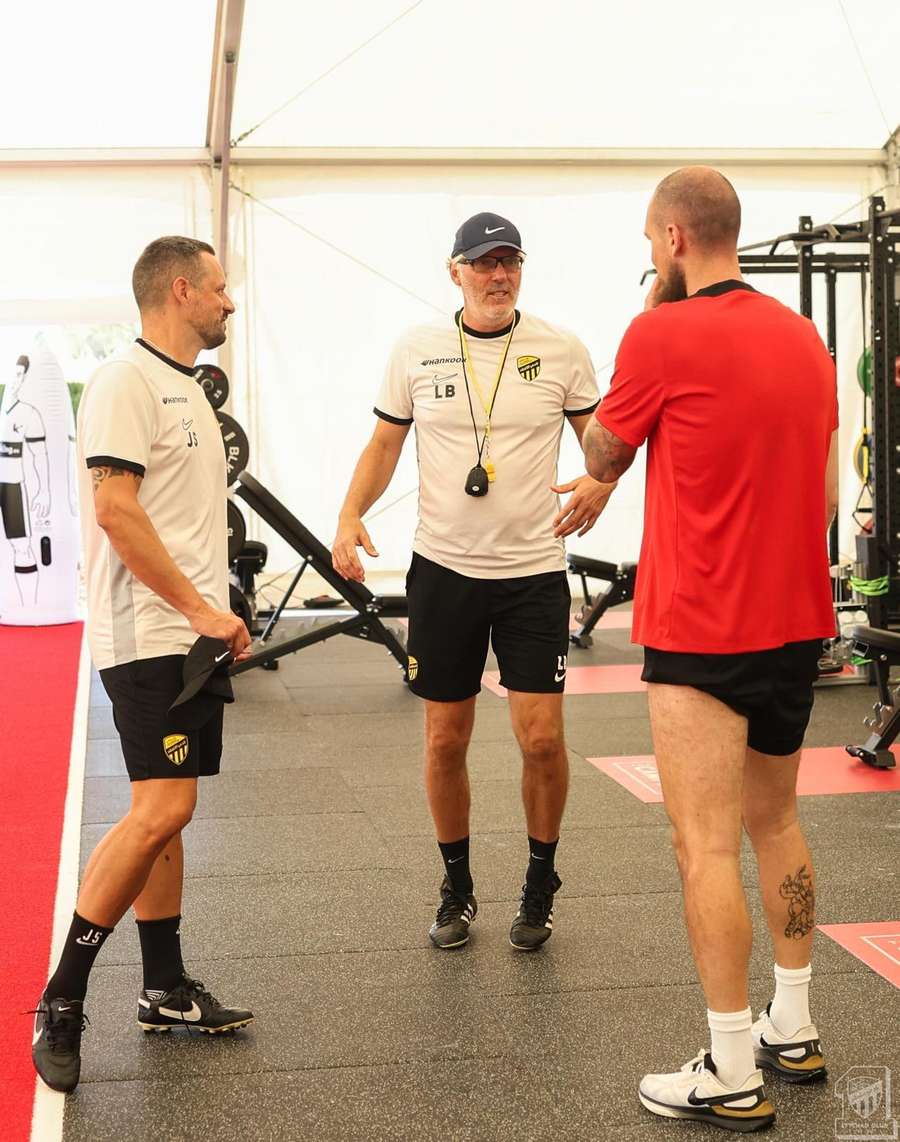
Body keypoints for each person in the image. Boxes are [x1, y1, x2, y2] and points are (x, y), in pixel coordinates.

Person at [583, 167, 837, 1132]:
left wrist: (655, 311)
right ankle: (795, 1027)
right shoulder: (805, 338)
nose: (652, 256)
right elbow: (817, 493)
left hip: (701, 630)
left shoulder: (660, 329)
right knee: (776, 823)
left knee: (702, 845)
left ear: (675, 238)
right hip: (794, 624)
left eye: (654, 242)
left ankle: (731, 1066)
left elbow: (604, 453)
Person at [333, 213, 614, 952]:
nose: (499, 276)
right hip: (445, 572)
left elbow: (603, 443)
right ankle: (456, 886)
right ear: (453, 271)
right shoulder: (417, 349)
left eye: (510, 262)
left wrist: (602, 484)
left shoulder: (560, 349)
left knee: (543, 740)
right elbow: (385, 441)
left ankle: (539, 882)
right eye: (484, 264)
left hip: (531, 575)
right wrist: (348, 513)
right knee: (443, 740)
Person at [31, 237, 254, 1094]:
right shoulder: (128, 380)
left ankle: (162, 988)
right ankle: (64, 995)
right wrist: (198, 609)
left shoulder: (186, 388)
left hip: (189, 638)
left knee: (167, 814)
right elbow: (117, 512)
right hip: (149, 637)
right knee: (163, 807)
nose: (230, 303)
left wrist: (214, 612)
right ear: (182, 288)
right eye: (222, 288)